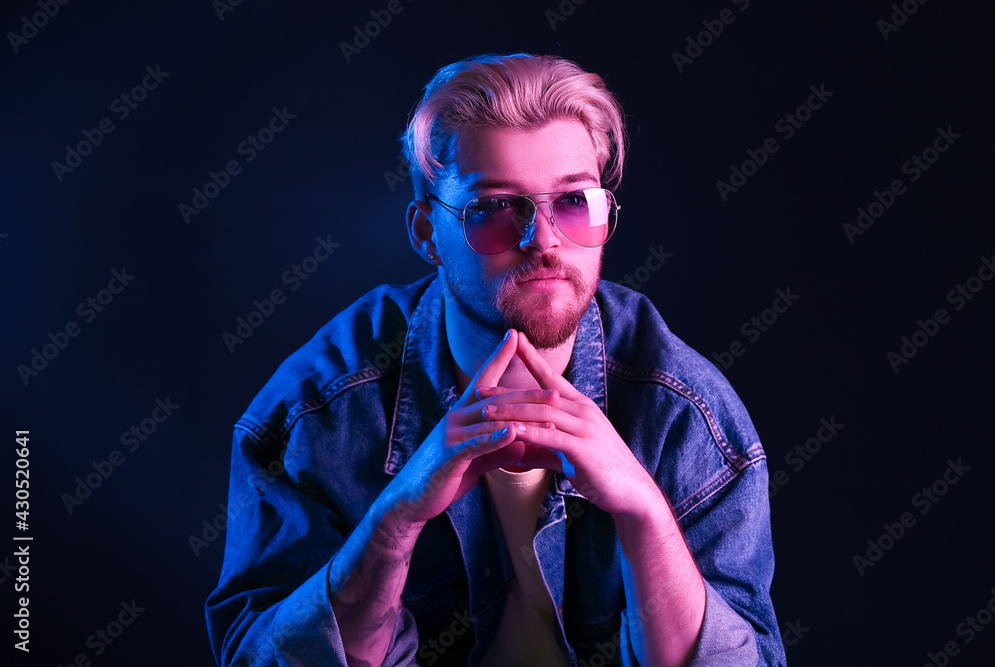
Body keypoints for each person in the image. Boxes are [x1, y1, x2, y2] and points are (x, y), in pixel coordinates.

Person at [207, 53, 784, 666]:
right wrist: (396, 519)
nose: (544, 240)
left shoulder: (686, 415)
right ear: (427, 233)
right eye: (494, 209)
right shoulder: (318, 412)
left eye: (574, 202)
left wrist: (643, 514)